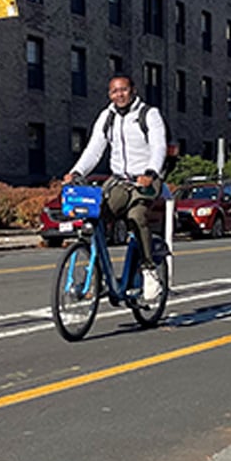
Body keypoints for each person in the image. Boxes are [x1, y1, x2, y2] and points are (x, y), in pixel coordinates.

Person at [63, 75, 167, 303]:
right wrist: (76, 172)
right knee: (96, 216)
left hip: (145, 180)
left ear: (133, 90)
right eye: (114, 91)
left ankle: (149, 271)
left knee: (136, 215)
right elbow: (94, 149)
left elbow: (159, 146)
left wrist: (151, 172)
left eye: (123, 90)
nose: (119, 95)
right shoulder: (107, 116)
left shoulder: (149, 114)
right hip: (119, 180)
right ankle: (99, 275)